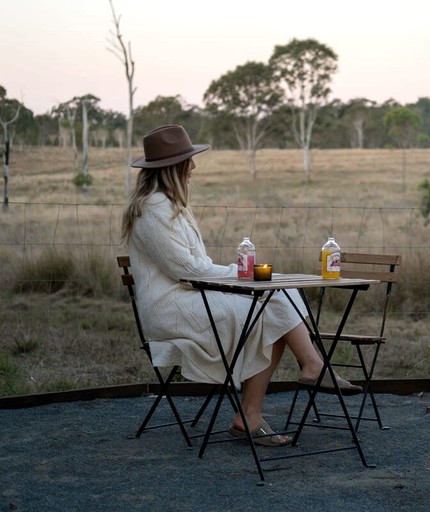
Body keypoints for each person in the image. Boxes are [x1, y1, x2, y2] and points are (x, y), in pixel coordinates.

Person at [120, 124, 361, 446]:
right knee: (269, 306)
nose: (194, 166)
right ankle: (303, 374)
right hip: (170, 307)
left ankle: (265, 403)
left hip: (192, 296)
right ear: (171, 168)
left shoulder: (171, 206)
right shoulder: (152, 210)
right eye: (187, 160)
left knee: (276, 298)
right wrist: (242, 274)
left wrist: (248, 277)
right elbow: (187, 270)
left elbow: (194, 270)